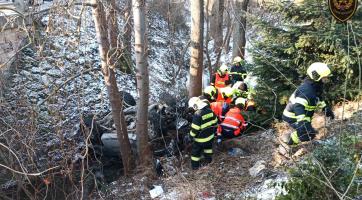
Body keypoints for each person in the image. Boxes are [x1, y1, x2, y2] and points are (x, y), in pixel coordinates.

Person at [282, 62, 335, 146]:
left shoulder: (316, 87)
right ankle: (287, 142)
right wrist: (302, 123)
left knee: (308, 133)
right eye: (325, 78)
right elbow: (298, 106)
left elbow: (318, 99)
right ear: (317, 76)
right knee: (306, 134)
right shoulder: (307, 90)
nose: (326, 80)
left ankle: (293, 140)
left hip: (303, 116)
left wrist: (325, 109)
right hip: (292, 117)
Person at [187, 97, 218, 170]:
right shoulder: (210, 111)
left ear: (195, 106)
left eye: (192, 108)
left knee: (195, 153)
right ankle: (209, 161)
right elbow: (216, 122)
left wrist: (190, 137)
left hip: (200, 140)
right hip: (210, 138)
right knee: (208, 148)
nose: (192, 109)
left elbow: (195, 129)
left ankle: (195, 167)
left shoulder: (197, 114)